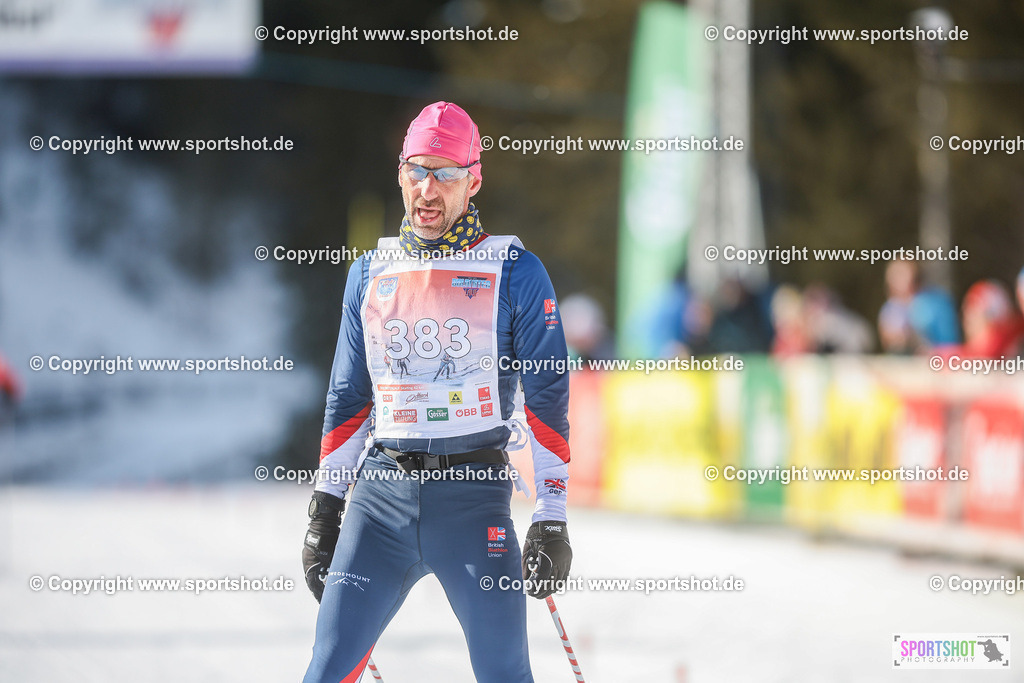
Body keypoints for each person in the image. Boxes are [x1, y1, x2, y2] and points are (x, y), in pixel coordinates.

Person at [302, 102, 572, 683]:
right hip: (379, 505)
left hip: (474, 506)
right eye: (417, 171)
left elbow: (548, 397)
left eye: (446, 174)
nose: (428, 189)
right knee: (325, 672)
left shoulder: (515, 270)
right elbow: (349, 398)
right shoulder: (369, 271)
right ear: (399, 173)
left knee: (506, 675)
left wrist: (551, 517)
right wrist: (326, 507)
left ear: (473, 180)